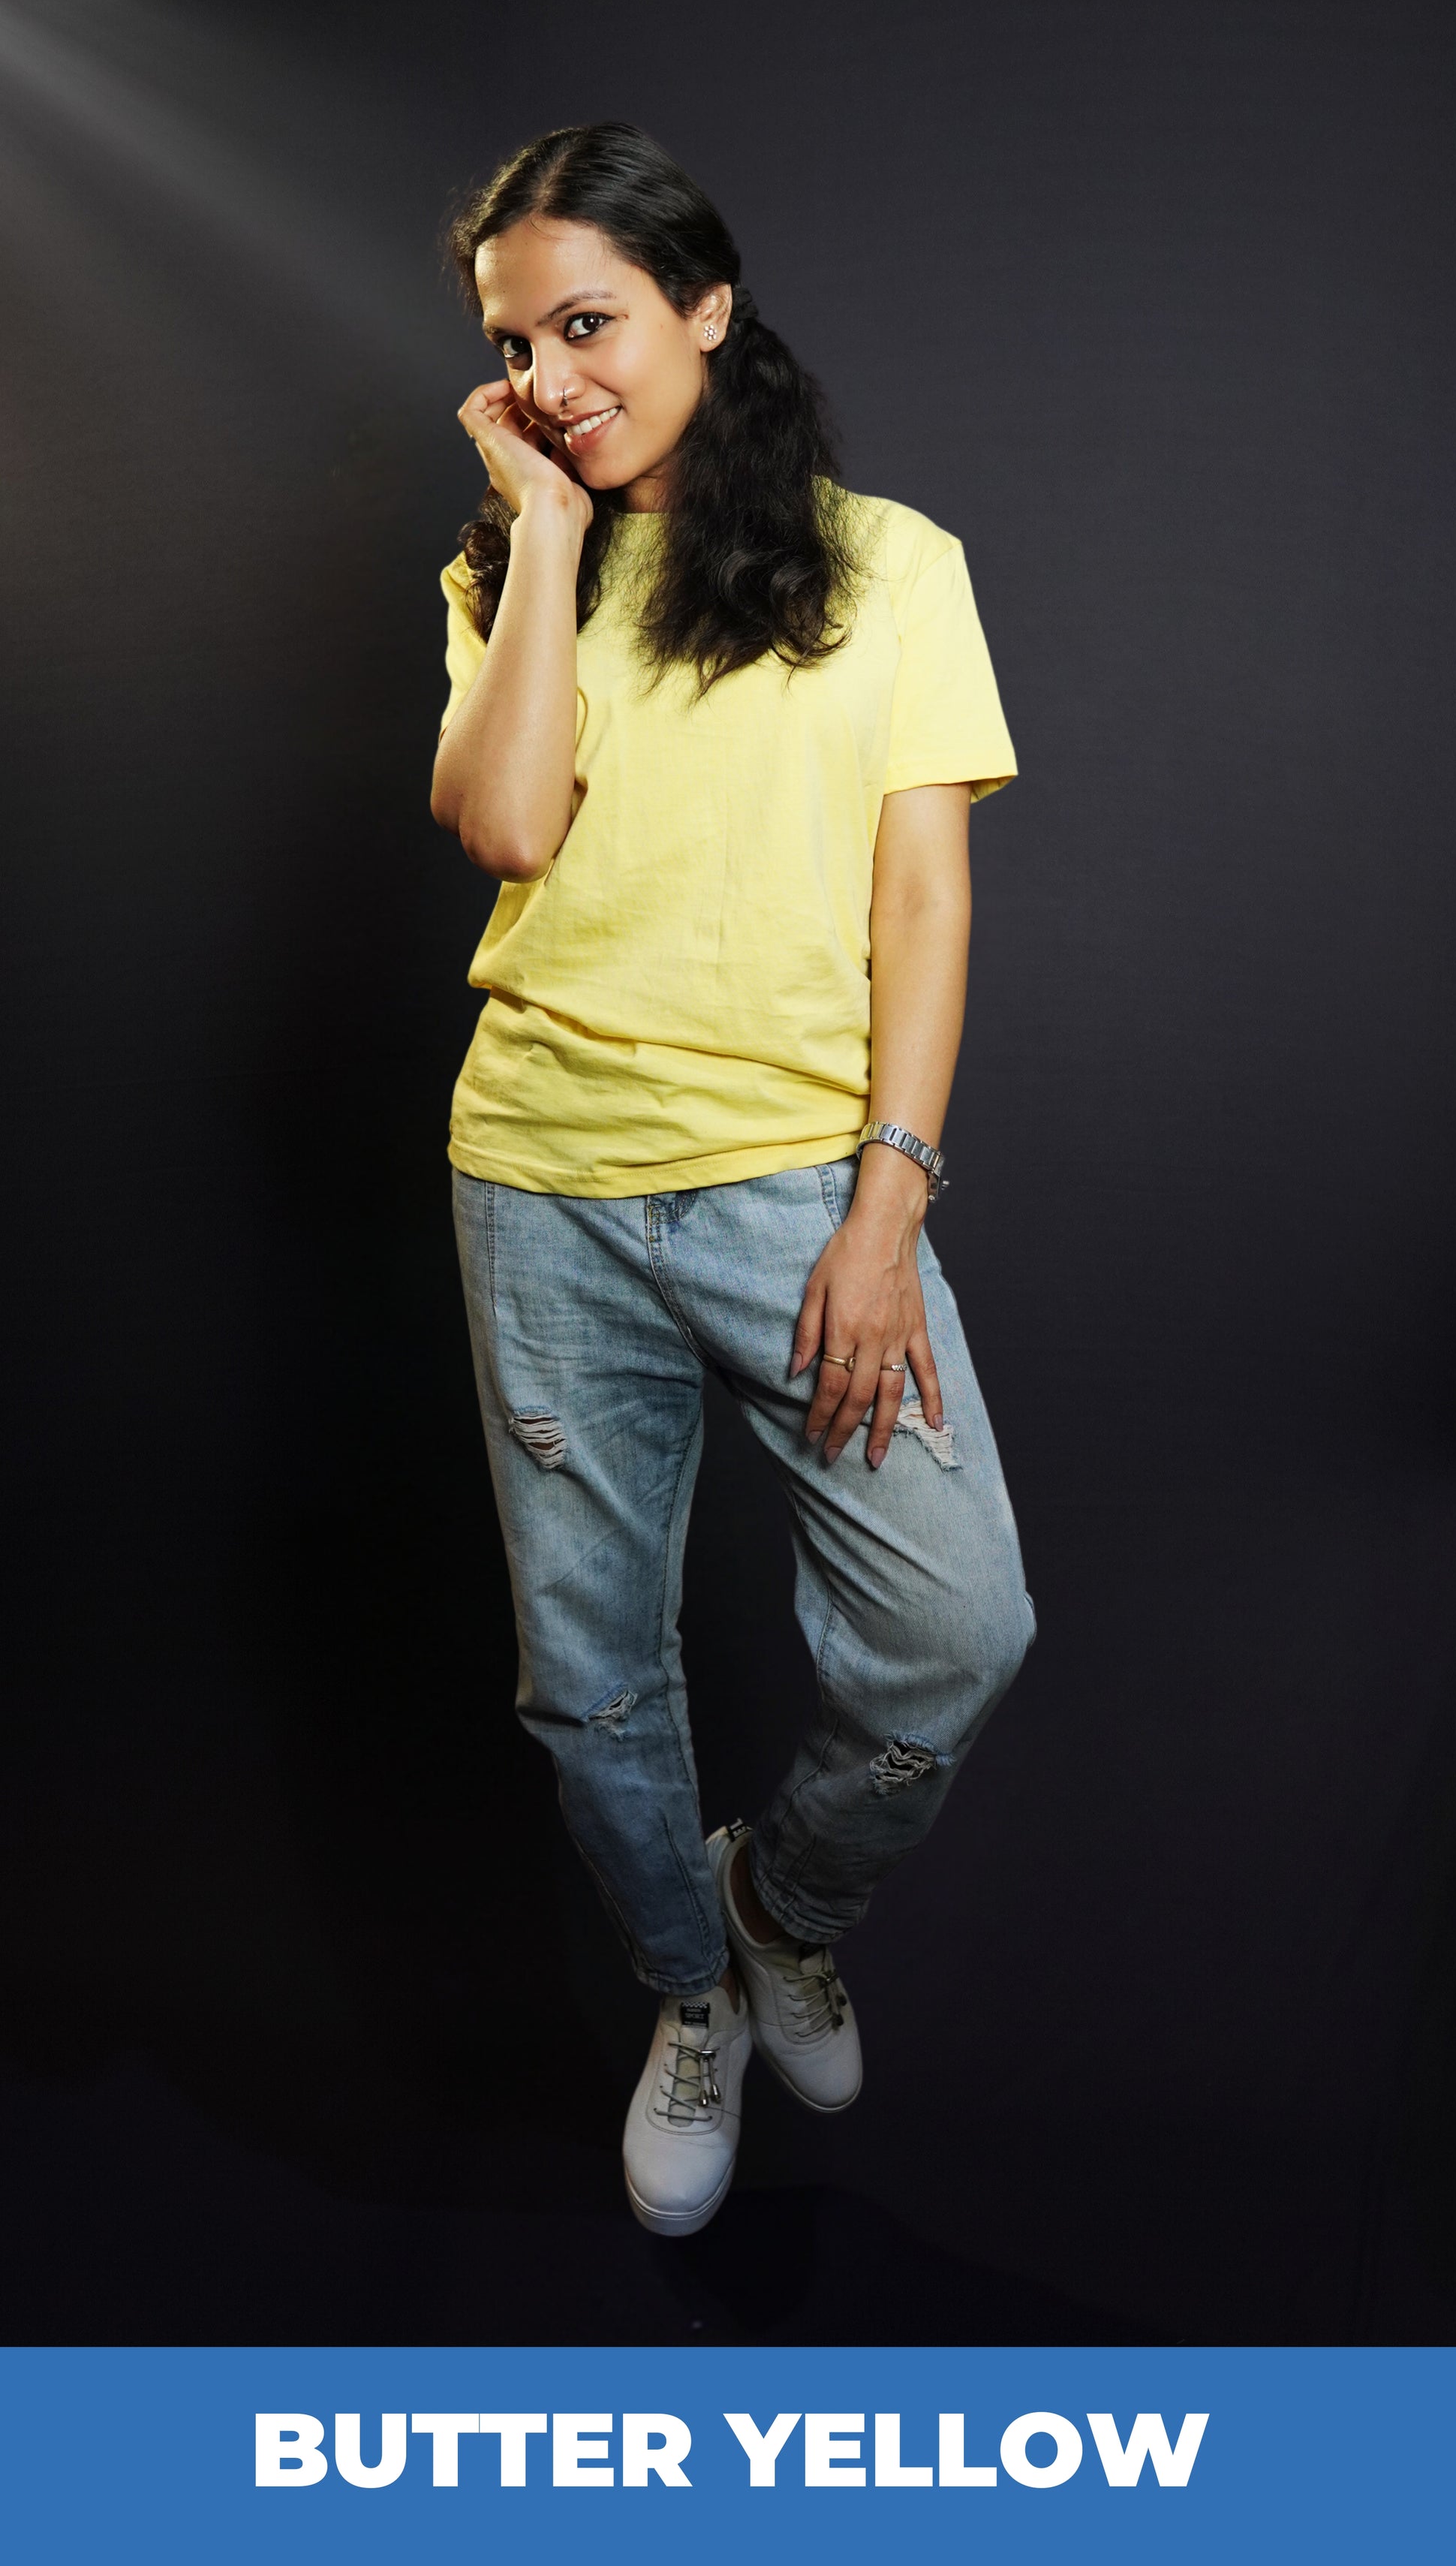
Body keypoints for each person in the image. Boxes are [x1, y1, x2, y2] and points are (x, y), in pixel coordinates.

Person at [431, 121, 1035, 2238]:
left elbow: (927, 911)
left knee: (954, 1627)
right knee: (586, 1671)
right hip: (542, 1181)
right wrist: (531, 535)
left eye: (588, 324)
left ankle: (777, 1898)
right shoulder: (514, 564)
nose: (553, 377)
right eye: (516, 348)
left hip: (799, 1189)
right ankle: (687, 1996)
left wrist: (887, 1205)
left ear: (706, 303)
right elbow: (505, 827)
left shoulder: (893, 568)